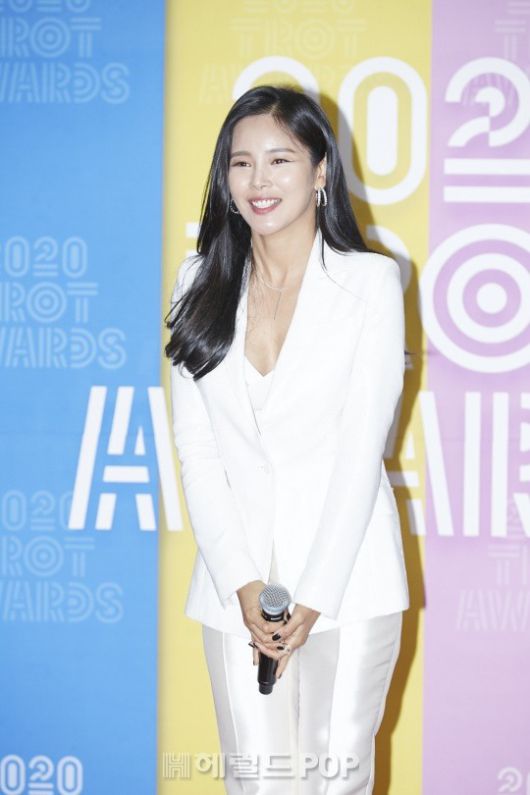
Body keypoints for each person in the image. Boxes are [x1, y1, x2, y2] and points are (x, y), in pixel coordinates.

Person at [165, 85, 409, 795]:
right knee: (258, 781)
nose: (259, 180)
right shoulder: (198, 280)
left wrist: (315, 596)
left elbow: (361, 451)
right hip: (234, 585)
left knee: (335, 777)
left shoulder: (369, 283)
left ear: (320, 170)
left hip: (348, 582)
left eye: (280, 159)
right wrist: (243, 583)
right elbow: (197, 449)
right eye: (241, 162)